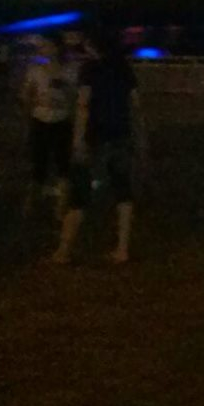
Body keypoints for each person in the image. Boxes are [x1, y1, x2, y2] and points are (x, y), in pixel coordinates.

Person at [52, 32, 143, 264]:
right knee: (123, 191)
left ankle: (63, 251)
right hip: (121, 134)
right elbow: (135, 104)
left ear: (93, 46)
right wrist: (139, 137)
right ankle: (122, 249)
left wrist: (77, 140)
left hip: (95, 135)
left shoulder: (90, 69)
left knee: (79, 194)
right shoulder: (124, 68)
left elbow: (83, 104)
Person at [21, 34, 76, 215]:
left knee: (63, 164)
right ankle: (32, 201)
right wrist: (35, 103)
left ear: (56, 48)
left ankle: (60, 205)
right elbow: (26, 95)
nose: (41, 49)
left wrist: (65, 91)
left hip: (62, 120)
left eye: (46, 45)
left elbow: (77, 98)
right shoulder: (36, 70)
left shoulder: (70, 71)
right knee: (38, 162)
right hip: (40, 119)